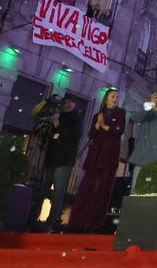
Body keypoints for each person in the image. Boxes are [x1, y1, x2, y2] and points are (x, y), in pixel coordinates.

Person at [68, 89, 125, 231]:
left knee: (102, 189)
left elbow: (118, 130)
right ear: (106, 99)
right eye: (113, 96)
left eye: (117, 97)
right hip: (95, 155)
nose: (115, 99)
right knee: (87, 187)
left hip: (108, 156)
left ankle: (94, 222)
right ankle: (78, 221)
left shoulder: (120, 113)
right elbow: (92, 135)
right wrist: (97, 125)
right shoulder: (98, 115)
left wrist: (105, 126)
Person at [40, 97, 82, 232]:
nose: (67, 104)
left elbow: (73, 136)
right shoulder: (60, 116)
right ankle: (36, 220)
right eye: (66, 102)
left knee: (58, 193)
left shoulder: (76, 118)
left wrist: (59, 127)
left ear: (74, 103)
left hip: (64, 161)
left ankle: (51, 223)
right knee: (43, 191)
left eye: (70, 102)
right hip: (51, 159)